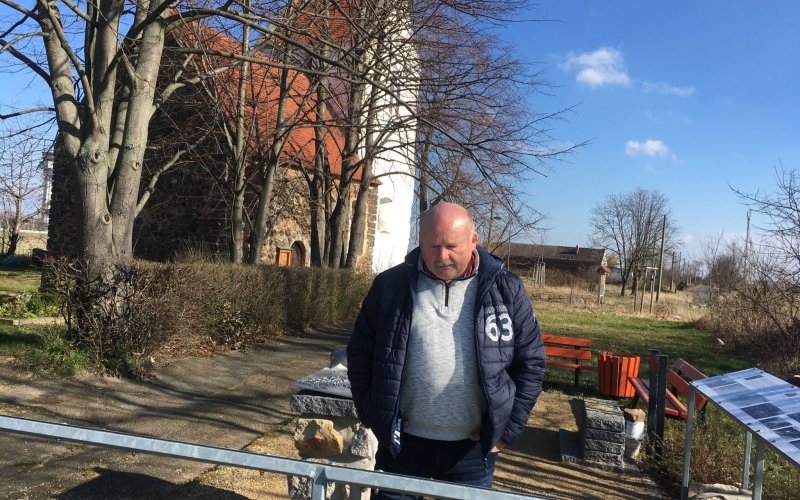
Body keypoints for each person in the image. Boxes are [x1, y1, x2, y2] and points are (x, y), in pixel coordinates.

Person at [347, 202, 545, 498]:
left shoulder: (505, 289)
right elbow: (360, 353)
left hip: (471, 451)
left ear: (474, 241)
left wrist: (508, 429)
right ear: (420, 242)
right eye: (432, 245)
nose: (441, 257)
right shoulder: (390, 286)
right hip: (402, 444)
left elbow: (531, 362)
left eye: (452, 246)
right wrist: (373, 416)